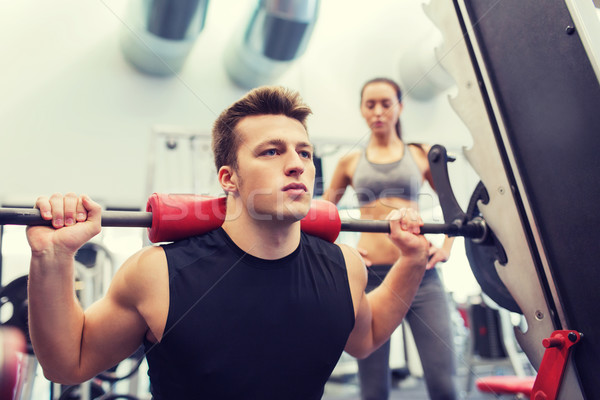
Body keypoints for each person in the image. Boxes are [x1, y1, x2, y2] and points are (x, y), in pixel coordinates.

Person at [26, 86, 429, 400]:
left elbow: (367, 336)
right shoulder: (157, 273)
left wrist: (411, 261)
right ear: (228, 178)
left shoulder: (345, 266)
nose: (296, 164)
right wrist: (53, 258)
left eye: (304, 153)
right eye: (271, 151)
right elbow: (69, 363)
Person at [322, 78, 458, 400]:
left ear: (400, 106)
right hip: (370, 280)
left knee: (444, 383)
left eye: (386, 103)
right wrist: (338, 252)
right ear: (362, 110)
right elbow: (323, 217)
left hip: (422, 276)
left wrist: (448, 247)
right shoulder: (349, 162)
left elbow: (456, 210)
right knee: (373, 388)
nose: (379, 111)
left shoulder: (421, 154)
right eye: (371, 105)